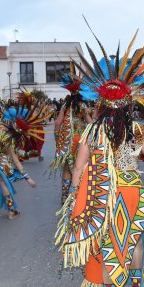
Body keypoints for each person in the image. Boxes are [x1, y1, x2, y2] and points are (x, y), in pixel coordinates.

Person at [54, 33, 144, 287]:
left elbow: (78, 169)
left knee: (109, 249)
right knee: (133, 244)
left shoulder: (92, 132)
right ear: (130, 102)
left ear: (100, 103)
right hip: (134, 194)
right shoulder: (138, 130)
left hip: (103, 195)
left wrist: (73, 199)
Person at [49, 71, 87, 204]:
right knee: (79, 167)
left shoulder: (65, 106)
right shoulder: (83, 107)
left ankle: (64, 196)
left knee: (66, 168)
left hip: (67, 141)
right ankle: (77, 194)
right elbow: (90, 123)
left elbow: (57, 123)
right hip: (80, 141)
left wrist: (58, 140)